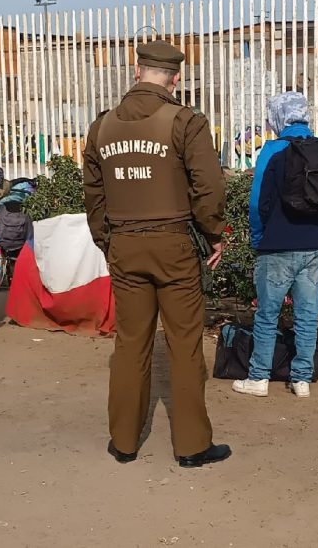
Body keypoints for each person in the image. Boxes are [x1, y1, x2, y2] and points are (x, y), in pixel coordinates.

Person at [83, 40, 231, 468]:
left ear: (136, 71)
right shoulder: (185, 121)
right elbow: (209, 186)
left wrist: (105, 239)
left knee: (129, 343)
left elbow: (94, 193)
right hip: (175, 244)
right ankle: (191, 445)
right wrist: (213, 233)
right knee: (184, 344)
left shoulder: (102, 127)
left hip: (124, 246)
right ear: (175, 77)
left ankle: (123, 441)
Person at [232, 92, 318, 399]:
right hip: (313, 248)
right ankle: (302, 379)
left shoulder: (272, 151)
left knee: (267, 314)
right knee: (307, 316)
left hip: (276, 247)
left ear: (278, 118)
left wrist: (258, 238)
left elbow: (258, 203)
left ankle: (258, 378)